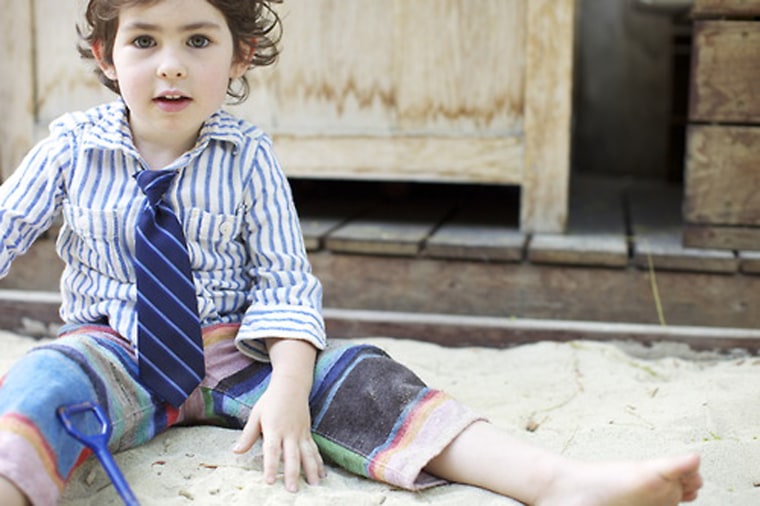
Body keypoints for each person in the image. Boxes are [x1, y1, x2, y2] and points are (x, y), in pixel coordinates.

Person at [0, 0, 702, 505]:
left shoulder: (247, 156)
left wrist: (288, 388)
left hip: (239, 353)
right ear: (106, 54)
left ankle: (555, 483)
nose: (171, 66)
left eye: (199, 41)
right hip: (116, 347)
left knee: (371, 378)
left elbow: (284, 281)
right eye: (144, 41)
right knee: (42, 382)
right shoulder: (71, 146)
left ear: (240, 54)